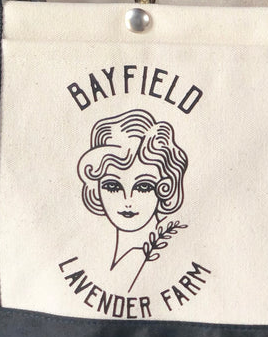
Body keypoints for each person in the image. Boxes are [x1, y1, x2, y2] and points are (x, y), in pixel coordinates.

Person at [77, 108, 188, 292]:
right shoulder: (104, 259)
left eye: (143, 186)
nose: (127, 200)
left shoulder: (155, 258)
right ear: (96, 189)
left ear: (165, 187)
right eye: (112, 186)